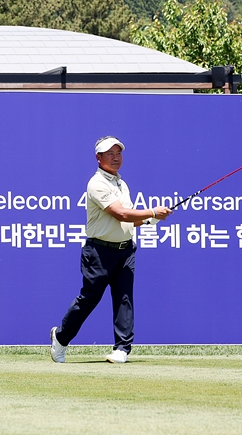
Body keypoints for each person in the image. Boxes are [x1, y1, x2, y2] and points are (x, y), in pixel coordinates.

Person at [50, 136, 172, 364]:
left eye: (119, 153)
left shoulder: (121, 184)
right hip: (99, 252)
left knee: (124, 298)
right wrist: (152, 212)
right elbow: (121, 214)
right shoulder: (96, 184)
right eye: (110, 153)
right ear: (98, 158)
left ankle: (122, 348)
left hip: (126, 251)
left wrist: (150, 220)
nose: (116, 157)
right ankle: (60, 337)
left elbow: (129, 221)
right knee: (88, 300)